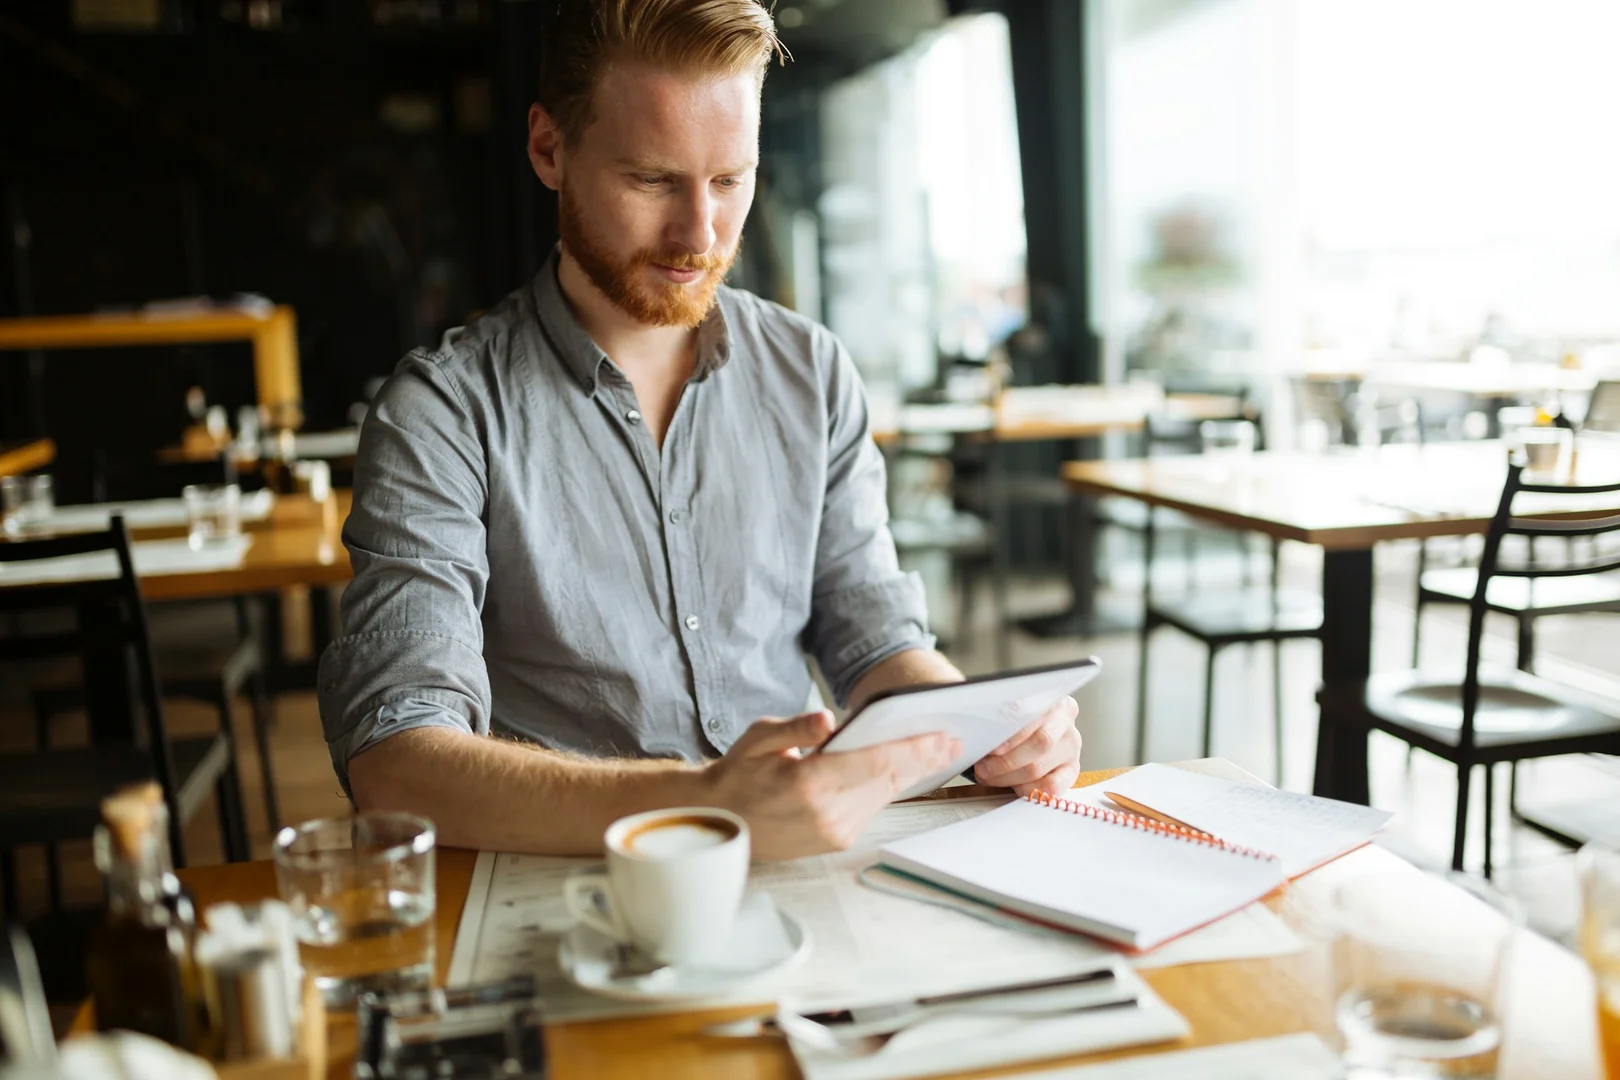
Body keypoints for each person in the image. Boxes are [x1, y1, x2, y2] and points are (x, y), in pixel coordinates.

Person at [317, 0, 1082, 861]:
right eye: (651, 180)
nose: (702, 234)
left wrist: (986, 730)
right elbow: (395, 761)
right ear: (548, 149)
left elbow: (875, 641)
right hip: (576, 892)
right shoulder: (443, 412)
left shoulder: (812, 372)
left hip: (803, 870)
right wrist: (708, 805)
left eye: (730, 180)